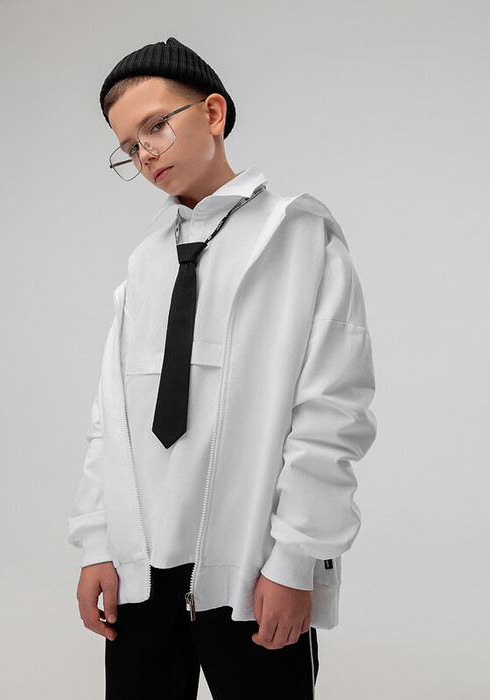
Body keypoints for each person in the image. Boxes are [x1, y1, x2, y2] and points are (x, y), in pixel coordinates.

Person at [67, 36, 377, 700]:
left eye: (156, 126)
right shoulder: (145, 264)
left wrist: (296, 560)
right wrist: (98, 542)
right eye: (129, 146)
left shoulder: (298, 238)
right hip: (142, 571)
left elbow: (331, 414)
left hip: (251, 568)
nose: (145, 153)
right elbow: (112, 418)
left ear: (212, 113)